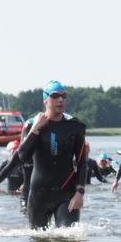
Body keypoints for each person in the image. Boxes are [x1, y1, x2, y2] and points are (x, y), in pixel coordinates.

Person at [18, 80, 88, 228]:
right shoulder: (31, 125)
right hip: (39, 195)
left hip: (67, 195)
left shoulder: (75, 127)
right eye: (55, 96)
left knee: (69, 240)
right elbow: (22, 156)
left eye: (64, 96)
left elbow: (82, 161)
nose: (61, 99)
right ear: (45, 100)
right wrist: (36, 129)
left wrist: (80, 192)